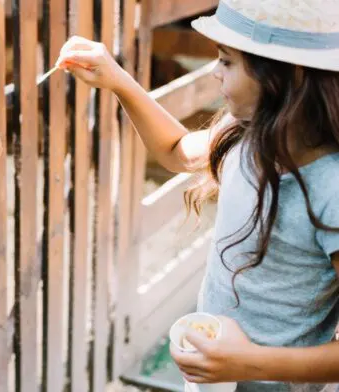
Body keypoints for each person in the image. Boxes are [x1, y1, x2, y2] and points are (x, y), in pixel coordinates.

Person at [56, 0, 339, 391]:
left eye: (226, 61)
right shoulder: (245, 135)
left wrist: (249, 364)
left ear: (285, 75)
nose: (214, 72)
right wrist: (117, 79)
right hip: (214, 367)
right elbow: (175, 150)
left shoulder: (332, 190)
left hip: (271, 382)